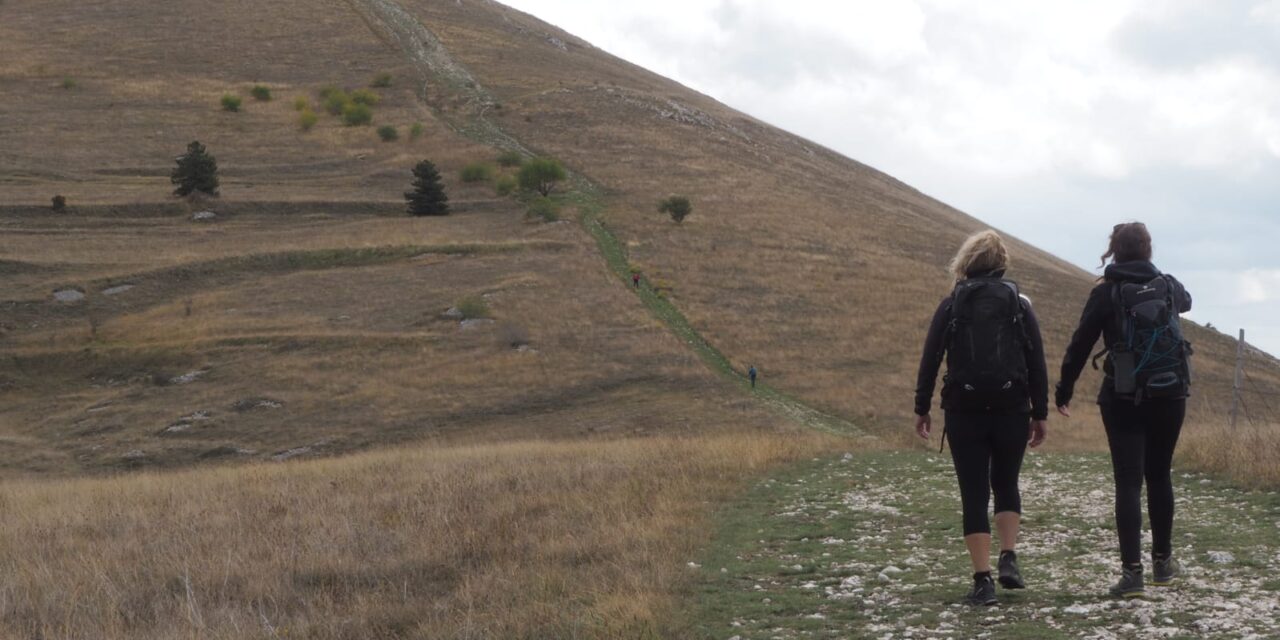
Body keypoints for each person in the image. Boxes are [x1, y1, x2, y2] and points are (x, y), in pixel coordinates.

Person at [1056, 222, 1193, 598]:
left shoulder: (1106, 294)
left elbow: (1080, 343)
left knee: (1129, 482)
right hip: (1171, 393)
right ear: (1148, 249)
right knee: (1160, 475)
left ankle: (1132, 574)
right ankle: (1163, 563)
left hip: (1122, 397)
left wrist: (1063, 390)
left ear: (1113, 251)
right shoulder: (1167, 283)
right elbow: (1187, 302)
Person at [914, 230, 1049, 606]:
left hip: (964, 411)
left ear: (966, 264)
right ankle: (1009, 556)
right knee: (1006, 483)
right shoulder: (1019, 305)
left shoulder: (952, 304)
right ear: (1001, 264)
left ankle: (982, 580)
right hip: (1011, 409)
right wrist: (1040, 413)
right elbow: (1036, 362)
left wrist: (921, 406)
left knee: (973, 493)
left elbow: (930, 359)